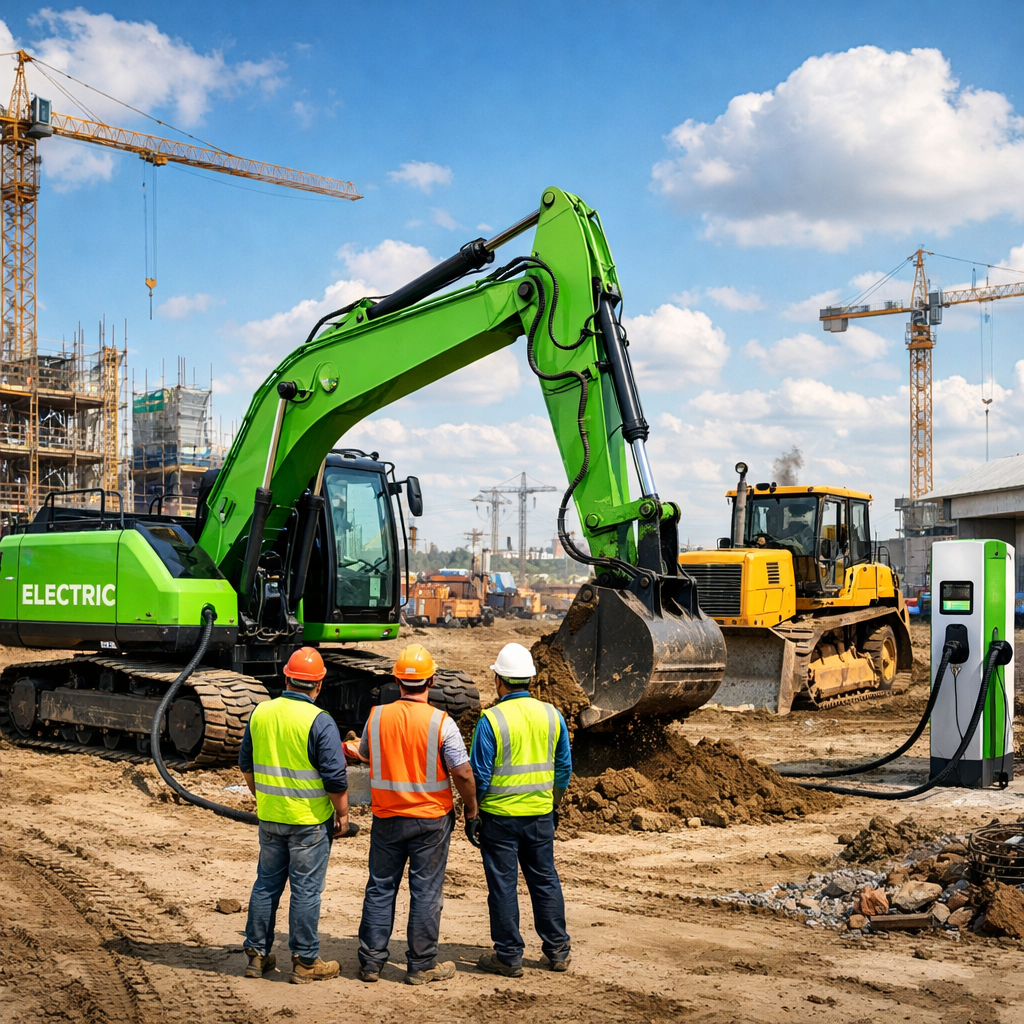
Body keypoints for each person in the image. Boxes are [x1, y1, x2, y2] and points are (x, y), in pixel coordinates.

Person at [356, 643, 479, 985]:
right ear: (432, 681)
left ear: (396, 681)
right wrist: (471, 810)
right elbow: (463, 773)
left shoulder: (377, 717)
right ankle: (421, 965)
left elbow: (366, 754)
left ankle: (370, 962)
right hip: (430, 821)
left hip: (387, 818)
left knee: (380, 889)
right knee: (426, 892)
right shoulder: (442, 723)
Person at [239, 647, 352, 984]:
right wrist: (342, 815)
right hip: (309, 822)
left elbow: (246, 764)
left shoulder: (261, 712)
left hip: (271, 817)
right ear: (318, 685)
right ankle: (304, 962)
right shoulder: (320, 721)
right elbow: (335, 778)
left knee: (266, 886)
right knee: (305, 891)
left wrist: (263, 797)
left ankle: (256, 955)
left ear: (287, 678)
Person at [470, 642, 572, 977]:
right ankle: (557, 950)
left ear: (498, 680)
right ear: (530, 679)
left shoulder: (491, 721)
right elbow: (563, 769)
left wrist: (474, 813)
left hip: (499, 820)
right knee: (544, 881)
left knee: (502, 886)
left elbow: (480, 776)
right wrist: (553, 804)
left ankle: (509, 956)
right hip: (540, 816)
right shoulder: (552, 716)